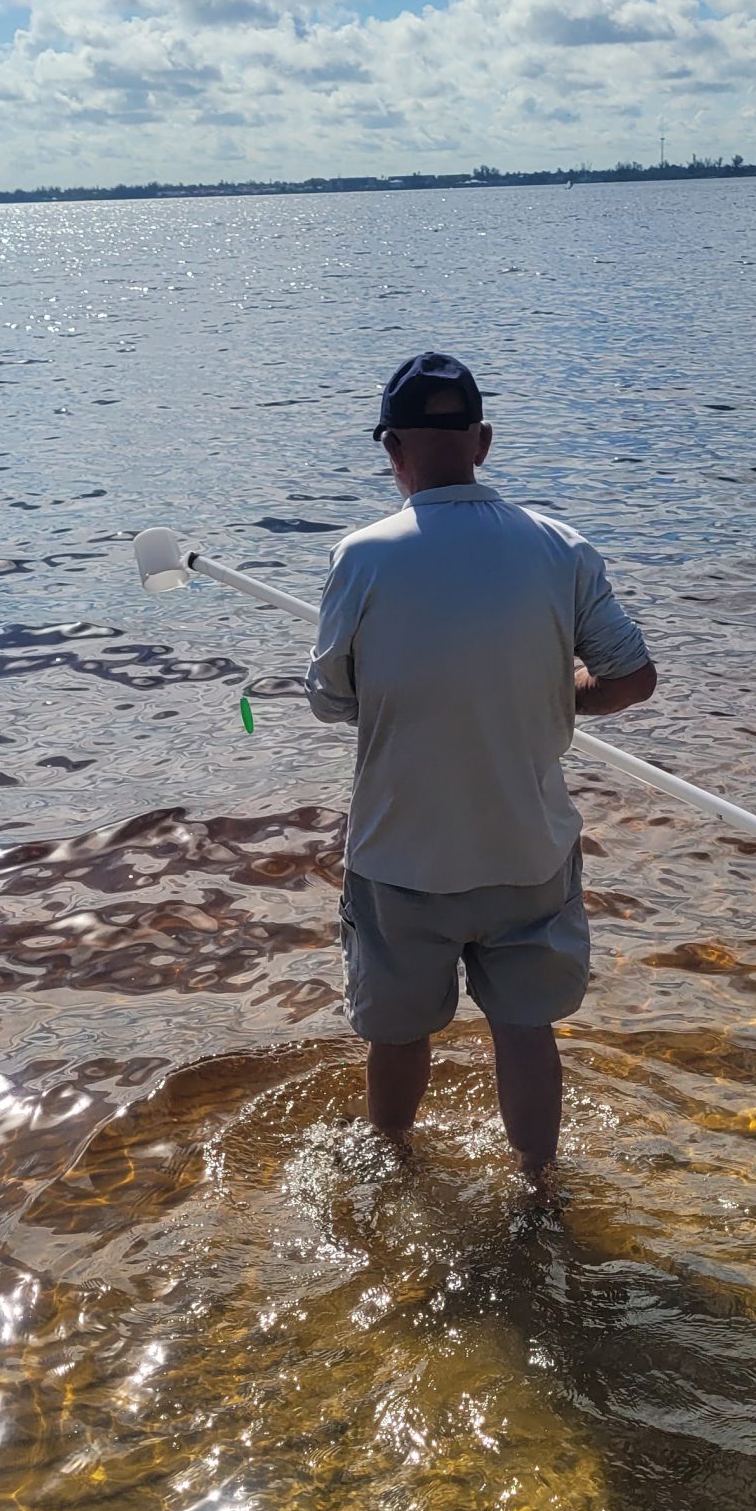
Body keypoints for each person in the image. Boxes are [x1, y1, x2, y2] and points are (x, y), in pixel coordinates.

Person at [306, 351, 657, 1184]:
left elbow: (329, 699)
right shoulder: (559, 548)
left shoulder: (362, 556)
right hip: (526, 851)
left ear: (391, 449)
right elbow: (633, 678)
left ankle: (392, 1175)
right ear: (484, 442)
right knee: (525, 1031)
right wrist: (558, 692)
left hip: (400, 857)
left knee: (396, 1035)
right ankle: (538, 1191)